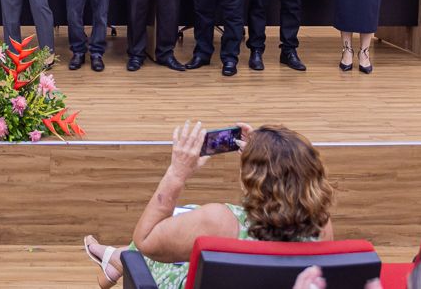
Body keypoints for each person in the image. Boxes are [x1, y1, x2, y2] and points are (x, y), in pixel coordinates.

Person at [84, 121, 335, 289]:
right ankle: (115, 259)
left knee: (155, 243)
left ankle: (118, 258)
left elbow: (145, 239)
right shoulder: (322, 225)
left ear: (250, 180)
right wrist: (260, 156)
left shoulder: (218, 222)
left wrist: (177, 173)